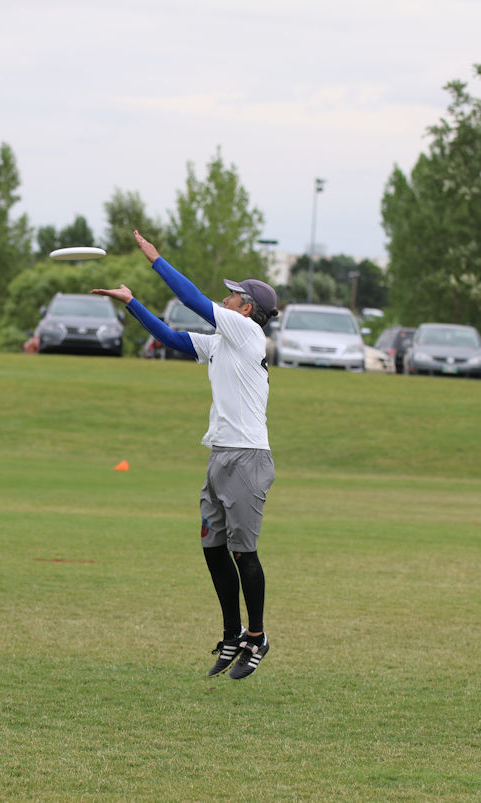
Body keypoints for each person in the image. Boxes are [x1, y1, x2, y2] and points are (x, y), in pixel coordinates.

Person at [91, 230, 279, 680]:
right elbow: (171, 337)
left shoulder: (247, 333)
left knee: (243, 553)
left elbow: (192, 299)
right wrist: (132, 303)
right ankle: (232, 633)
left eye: (232, 296)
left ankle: (256, 638)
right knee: (213, 548)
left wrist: (155, 259)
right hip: (220, 456)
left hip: (247, 458)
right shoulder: (223, 342)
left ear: (246, 309)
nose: (225, 299)